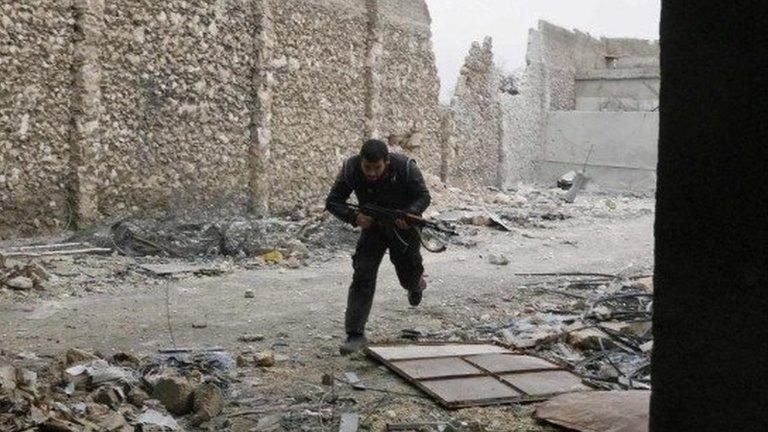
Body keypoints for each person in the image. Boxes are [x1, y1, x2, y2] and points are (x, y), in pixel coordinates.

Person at [325, 139, 431, 355]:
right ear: (361, 162)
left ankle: (416, 285)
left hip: (402, 229)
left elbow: (424, 197)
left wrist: (409, 214)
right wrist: (355, 217)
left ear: (387, 162)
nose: (371, 173)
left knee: (408, 274)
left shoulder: (406, 167)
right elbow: (333, 201)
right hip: (372, 227)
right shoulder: (351, 169)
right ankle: (355, 334)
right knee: (362, 273)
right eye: (367, 168)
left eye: (377, 168)